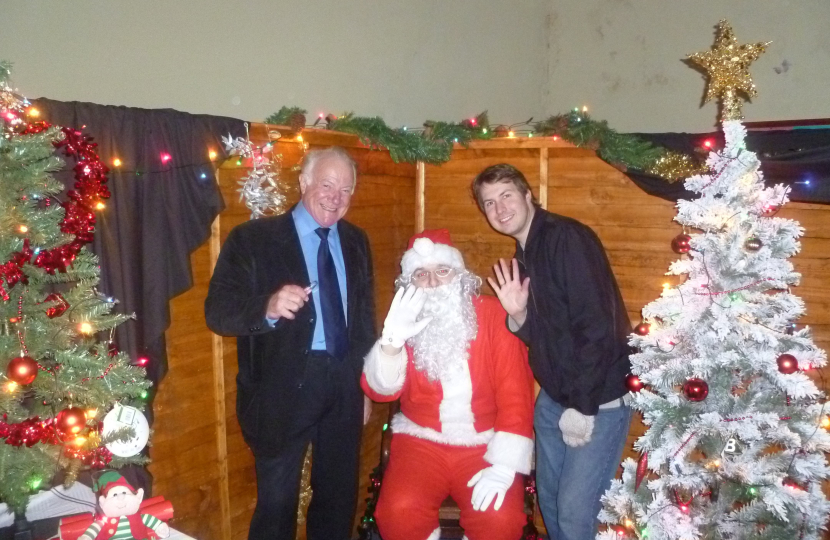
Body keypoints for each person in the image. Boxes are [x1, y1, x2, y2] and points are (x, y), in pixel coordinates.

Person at [204, 147, 376, 540]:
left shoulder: (356, 241)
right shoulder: (253, 239)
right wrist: (267, 305)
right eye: (327, 185)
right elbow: (218, 311)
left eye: (346, 189)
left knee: (338, 497)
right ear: (303, 183)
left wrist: (364, 384)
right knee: (277, 505)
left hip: (344, 384)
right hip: (280, 389)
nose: (336, 196)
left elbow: (364, 318)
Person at [471, 163, 633, 540]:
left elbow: (598, 329)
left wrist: (581, 406)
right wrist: (520, 314)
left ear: (528, 195)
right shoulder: (526, 251)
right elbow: (551, 334)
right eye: (489, 203)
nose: (500, 209)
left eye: (507, 195)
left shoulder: (566, 238)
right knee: (551, 506)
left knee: (576, 516)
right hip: (554, 399)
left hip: (597, 399)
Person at [362, 229, 535, 540]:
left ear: (460, 275)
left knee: (500, 521)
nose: (432, 282)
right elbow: (380, 391)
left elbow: (516, 395)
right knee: (397, 512)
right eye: (421, 274)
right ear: (408, 283)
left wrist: (504, 466)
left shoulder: (494, 315)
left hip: (485, 441)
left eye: (442, 271)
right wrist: (392, 341)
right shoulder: (403, 319)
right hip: (420, 440)